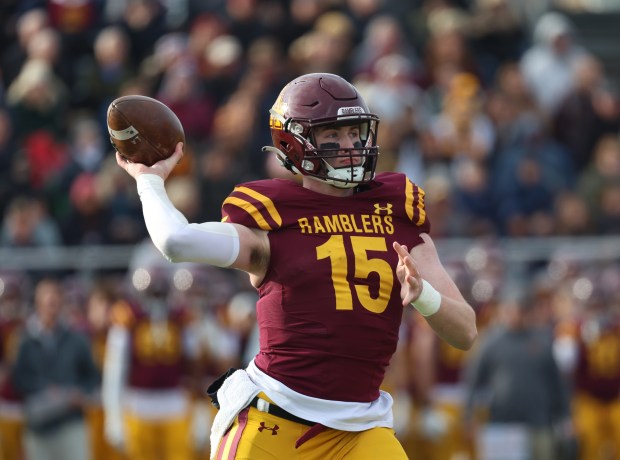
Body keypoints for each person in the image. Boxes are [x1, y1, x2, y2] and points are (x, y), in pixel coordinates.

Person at [115, 72, 478, 459]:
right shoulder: (273, 215)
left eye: (354, 132)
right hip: (275, 422)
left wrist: (423, 297)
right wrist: (148, 181)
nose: (350, 145)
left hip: (361, 428)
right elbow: (176, 241)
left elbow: (465, 331)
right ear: (296, 143)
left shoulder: (395, 208)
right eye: (332, 136)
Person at [11, 277, 100, 460]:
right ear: (37, 303)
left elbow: (93, 375)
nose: (51, 305)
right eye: (47, 299)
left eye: (55, 299)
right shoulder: (25, 340)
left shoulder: (76, 339)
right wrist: (44, 388)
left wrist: (80, 392)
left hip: (71, 422)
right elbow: (19, 377)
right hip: (39, 424)